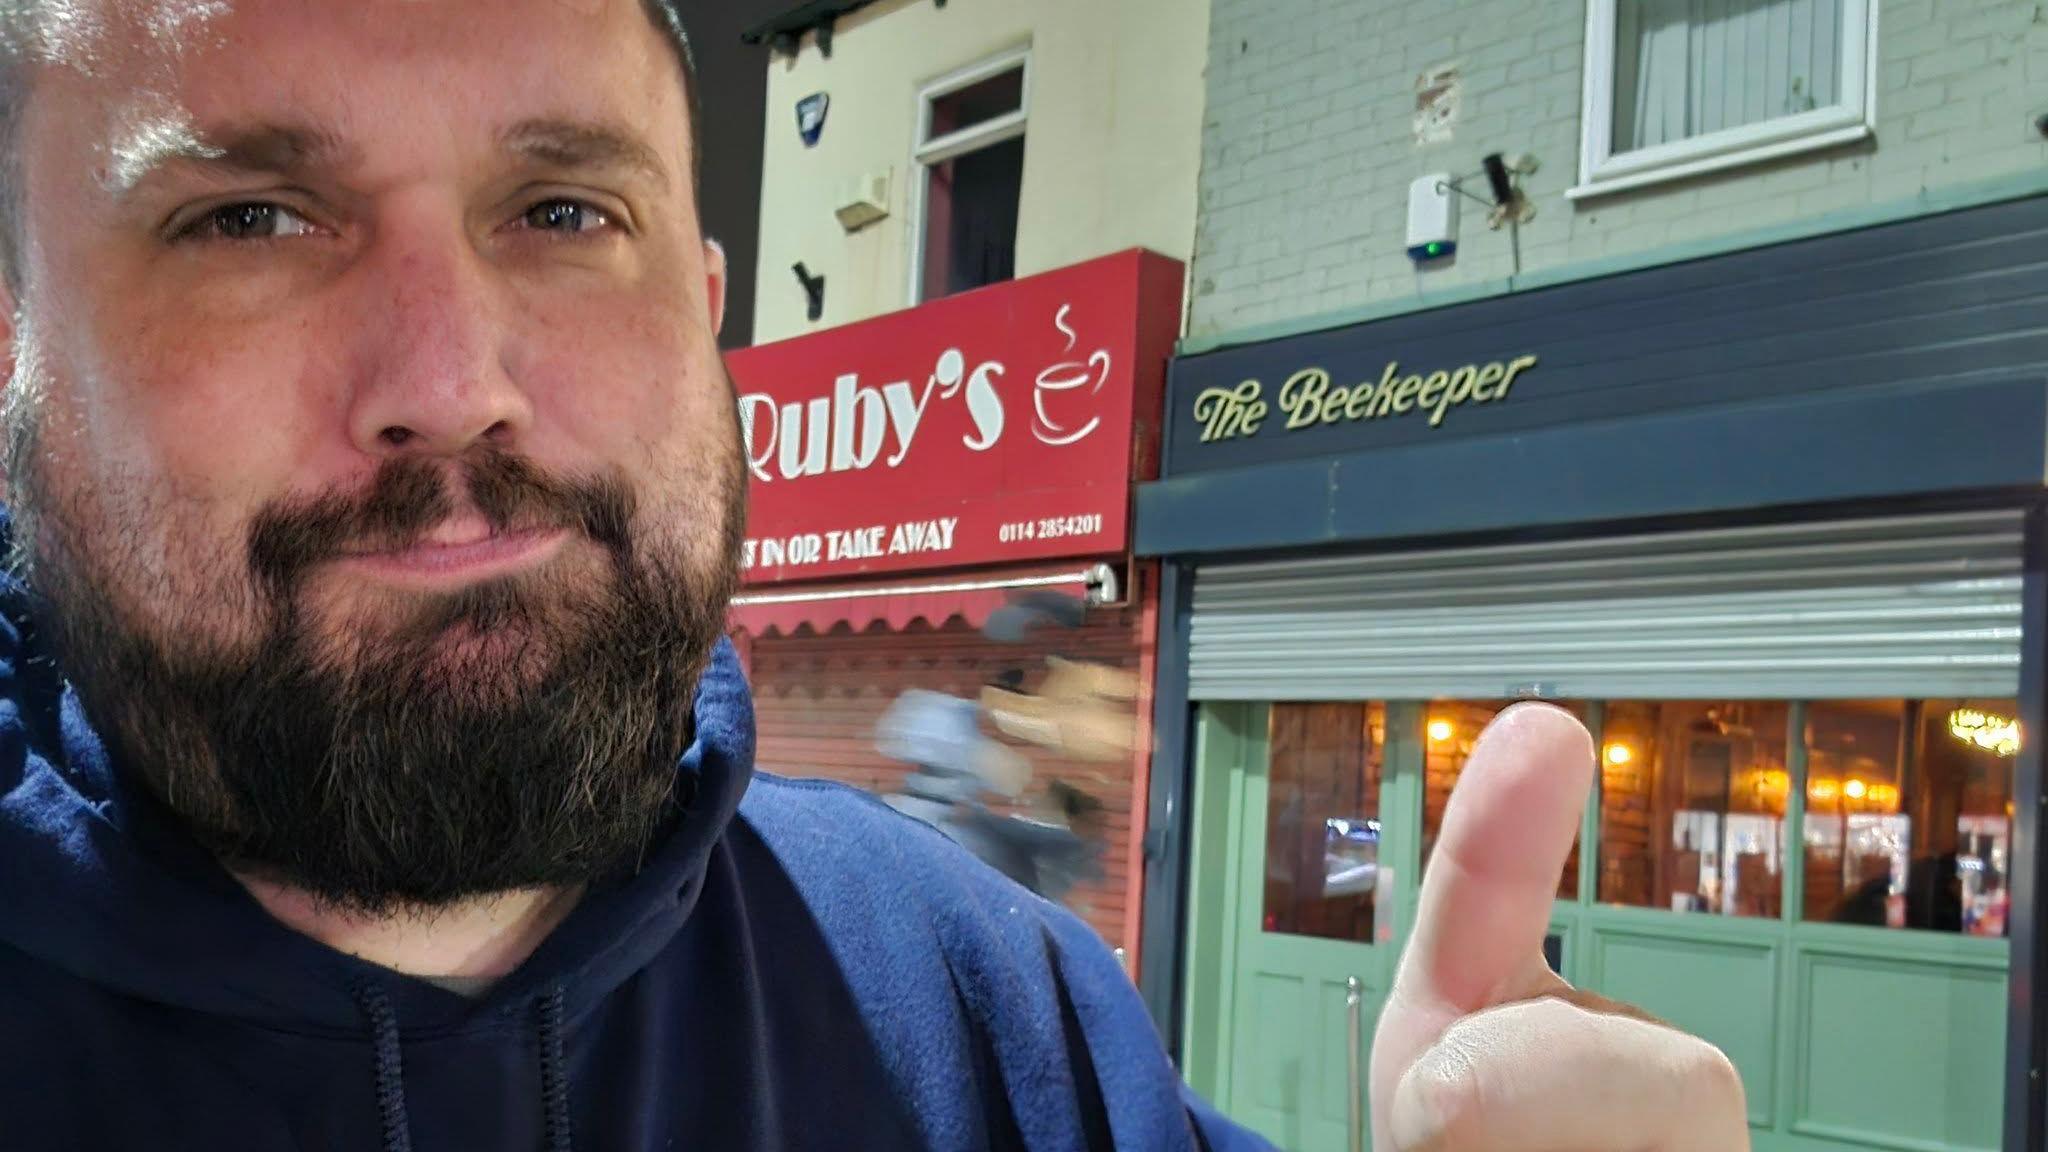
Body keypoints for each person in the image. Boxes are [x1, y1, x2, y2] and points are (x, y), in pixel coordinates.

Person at [0, 2, 1749, 1148]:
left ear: (702, 321)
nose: (452, 378)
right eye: (248, 220)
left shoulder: (1003, 1027)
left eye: (560, 212)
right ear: (20, 347)